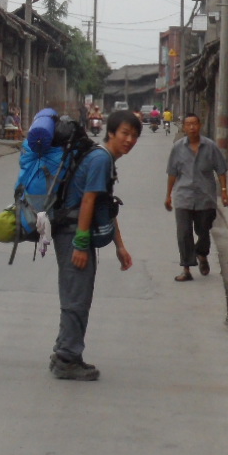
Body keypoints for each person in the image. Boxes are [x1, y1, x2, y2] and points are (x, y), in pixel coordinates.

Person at [49, 109, 139, 381]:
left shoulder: (104, 158)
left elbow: (105, 206)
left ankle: (64, 351)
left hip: (74, 231)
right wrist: (80, 244)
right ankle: (67, 358)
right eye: (124, 133)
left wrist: (119, 246)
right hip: (73, 233)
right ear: (110, 133)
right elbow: (88, 200)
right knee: (77, 297)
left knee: (75, 293)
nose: (129, 140)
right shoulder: (101, 159)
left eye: (134, 135)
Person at [164, 112, 228, 281]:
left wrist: (224, 191)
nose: (192, 127)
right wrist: (168, 195)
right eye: (188, 124)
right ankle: (186, 269)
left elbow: (221, 170)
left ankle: (202, 254)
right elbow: (172, 173)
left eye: (195, 124)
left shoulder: (210, 147)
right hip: (183, 196)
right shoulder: (178, 148)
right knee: (183, 233)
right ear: (184, 127)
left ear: (200, 126)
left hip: (205, 197)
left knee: (203, 230)